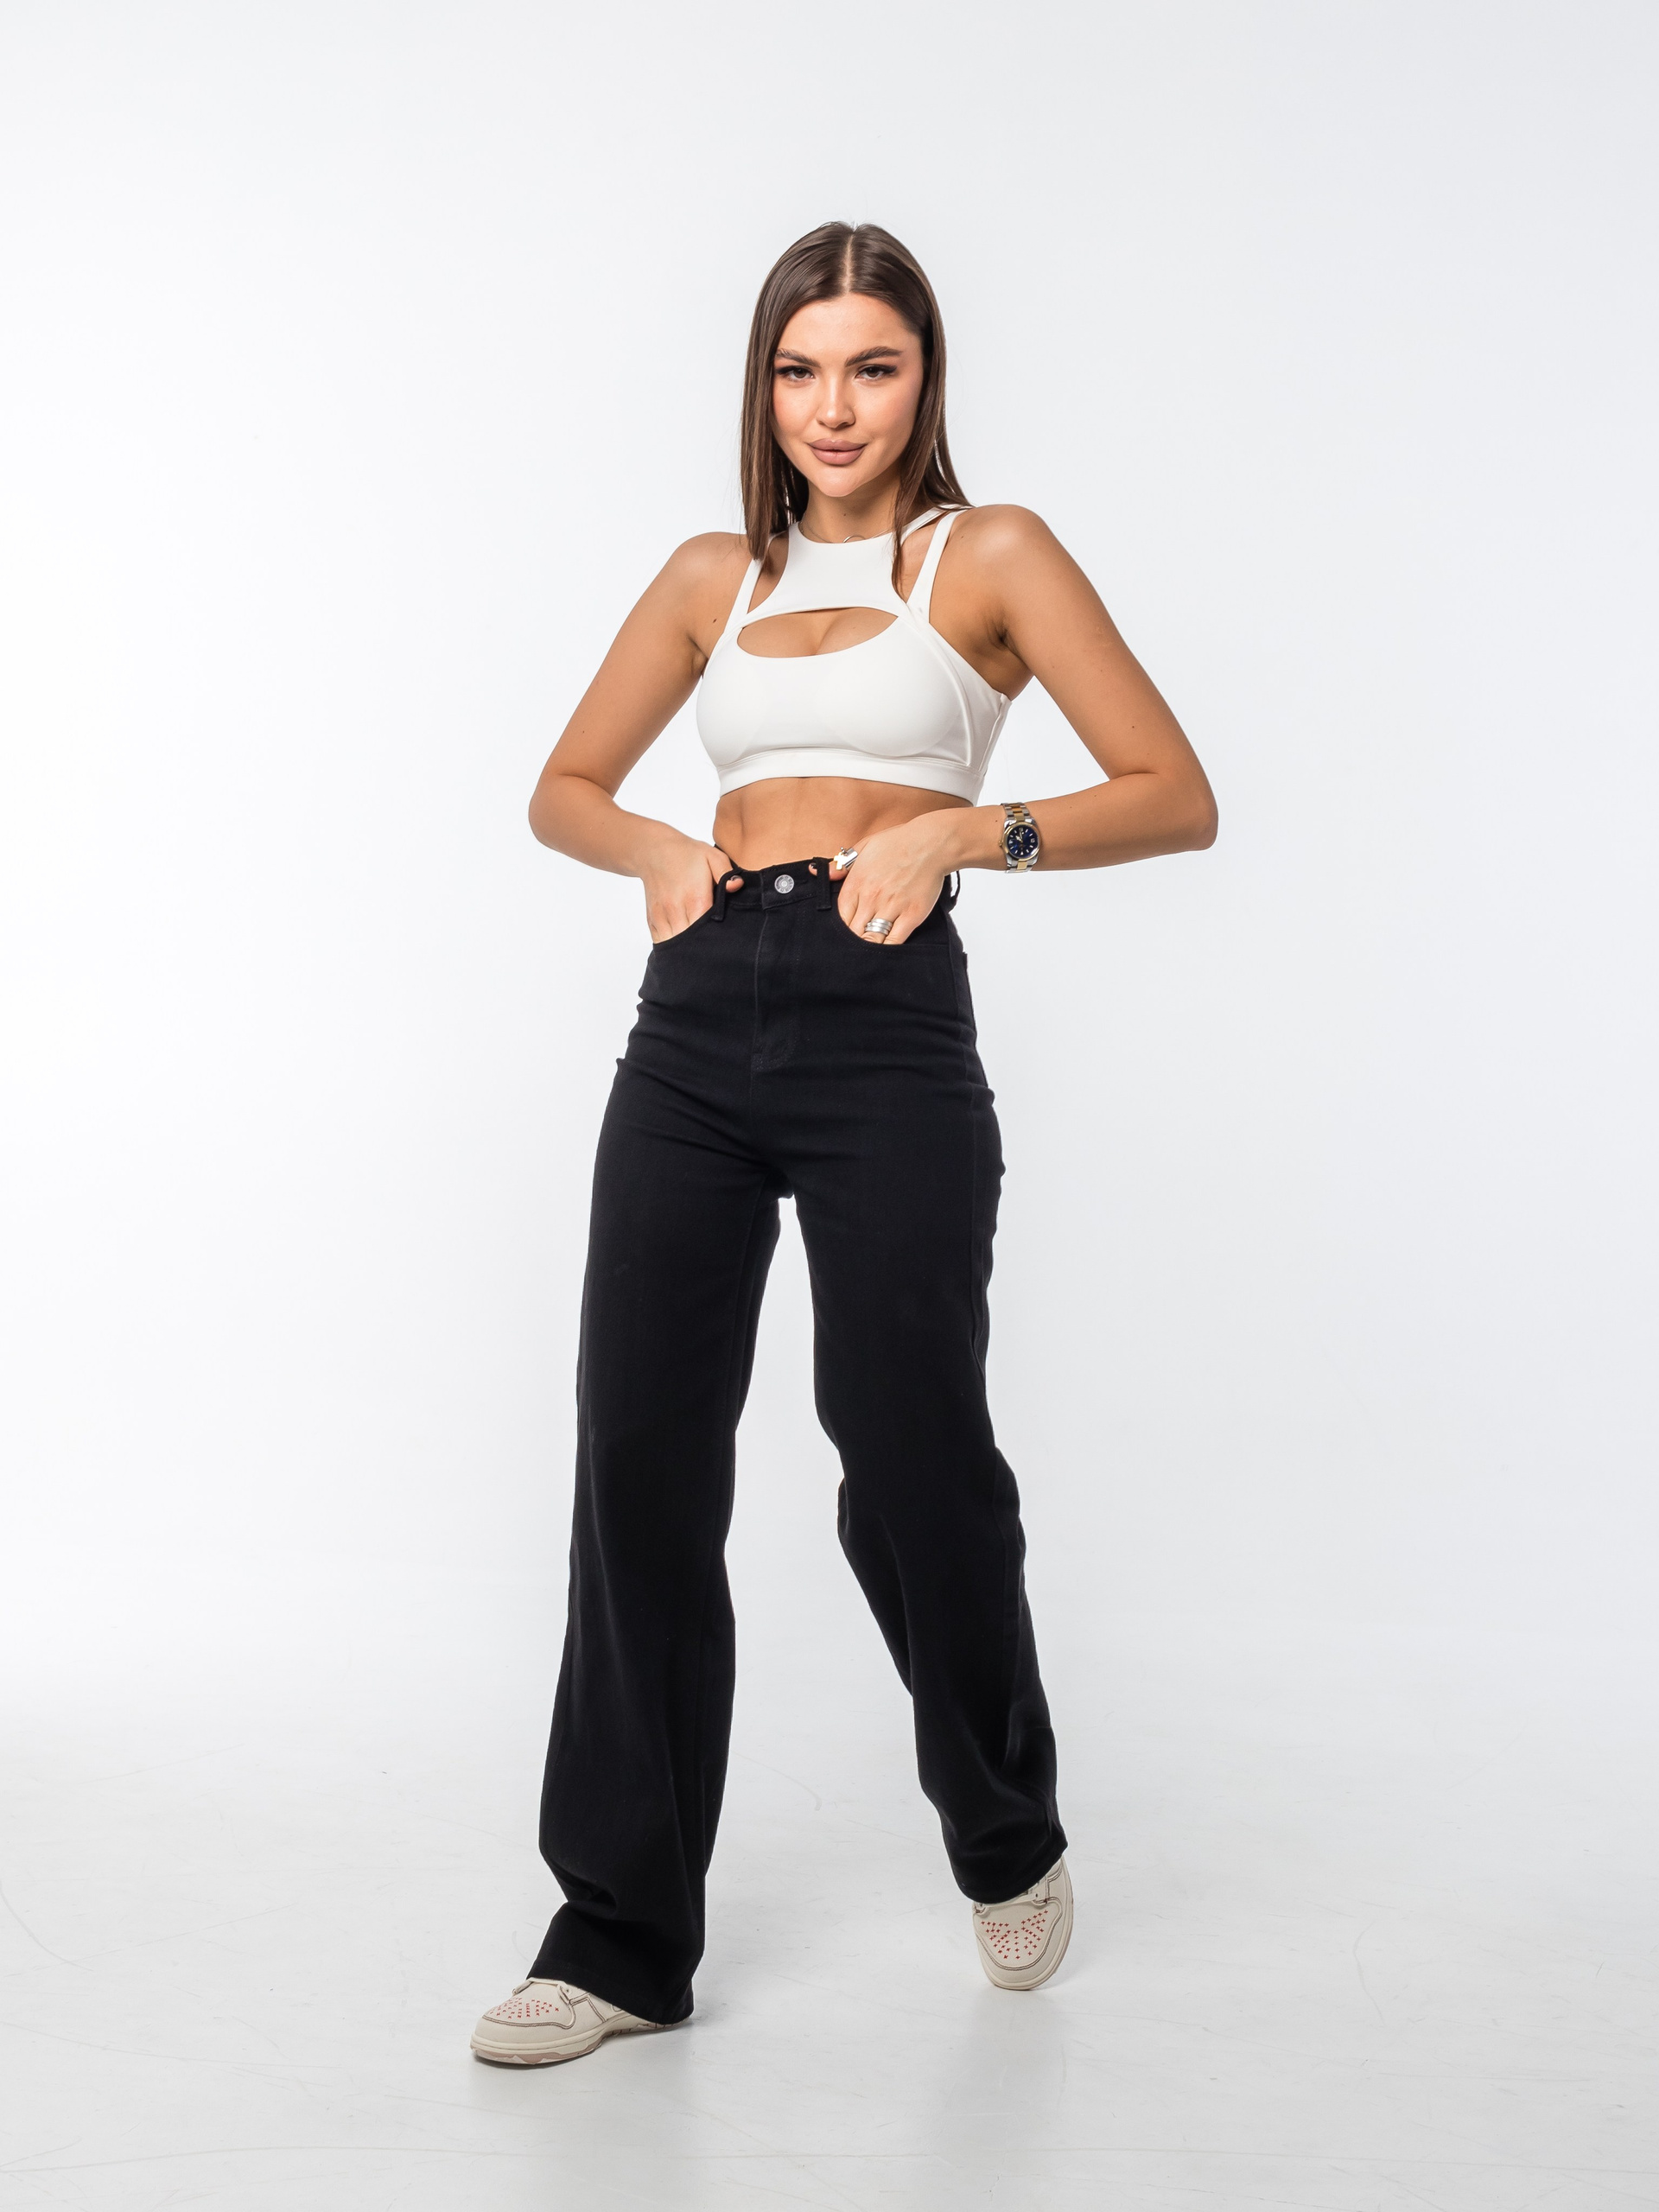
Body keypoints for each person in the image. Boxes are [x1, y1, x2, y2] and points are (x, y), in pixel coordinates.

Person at [471, 221, 1217, 2068]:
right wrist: (658, 849)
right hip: (693, 1017)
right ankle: (618, 1937)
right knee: (639, 1452)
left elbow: (1174, 792)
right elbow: (564, 785)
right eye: (801, 369)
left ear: (924, 379)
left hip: (887, 1017)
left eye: (872, 367)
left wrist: (967, 834)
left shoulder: (990, 554)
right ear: (763, 386)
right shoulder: (708, 575)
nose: (834, 406)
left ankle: (1004, 1821)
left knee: (906, 1452)